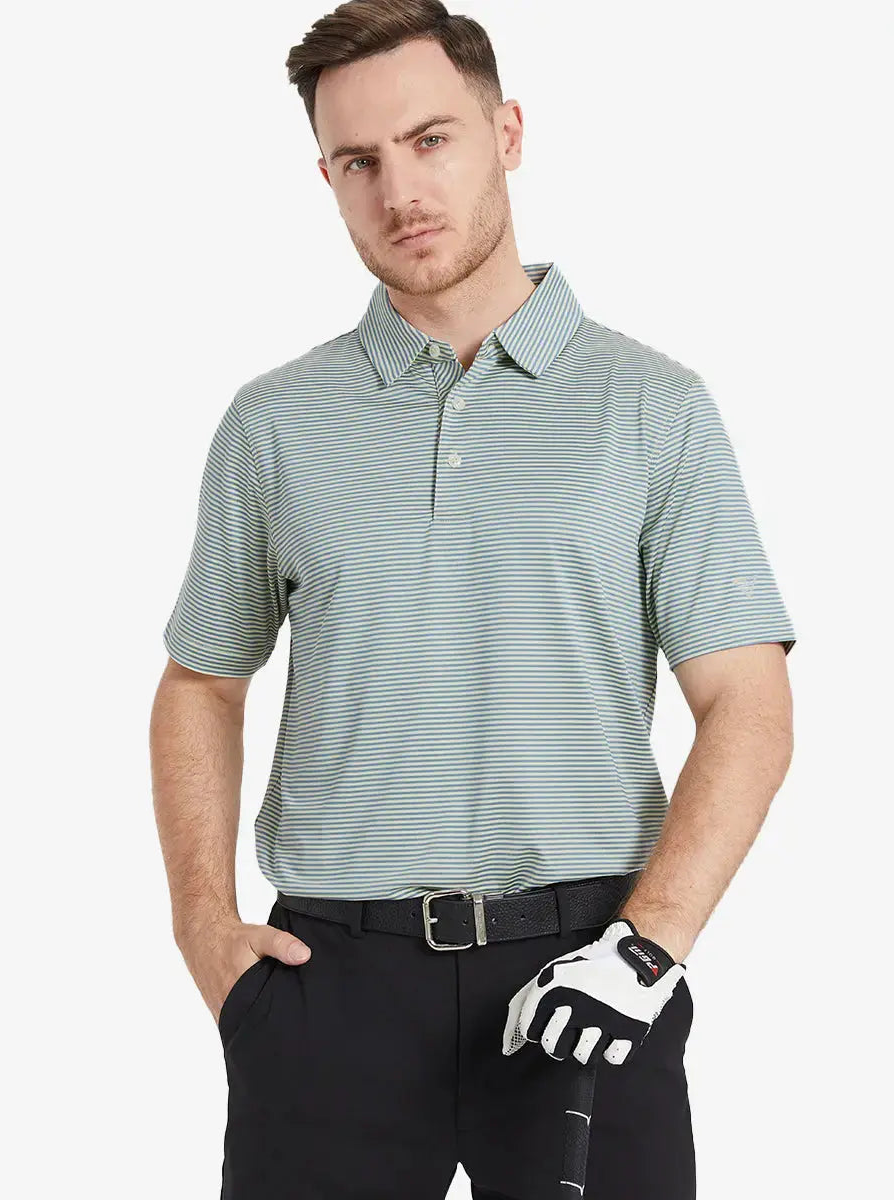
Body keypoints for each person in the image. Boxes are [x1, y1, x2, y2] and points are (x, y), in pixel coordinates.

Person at [150, 3, 796, 1197]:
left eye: (430, 140)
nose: (400, 190)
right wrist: (203, 924)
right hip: (328, 981)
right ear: (328, 179)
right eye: (359, 160)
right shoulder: (274, 422)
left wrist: (646, 950)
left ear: (507, 133)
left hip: (590, 973)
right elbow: (201, 679)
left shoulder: (655, 407)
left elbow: (748, 706)